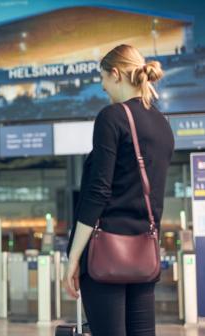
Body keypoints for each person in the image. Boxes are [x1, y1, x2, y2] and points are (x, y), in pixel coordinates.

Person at [64, 45, 174, 335]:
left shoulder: (112, 117)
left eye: (102, 78)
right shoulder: (162, 123)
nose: (102, 86)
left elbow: (98, 191)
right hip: (144, 251)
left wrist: (74, 256)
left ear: (115, 74)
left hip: (105, 252)